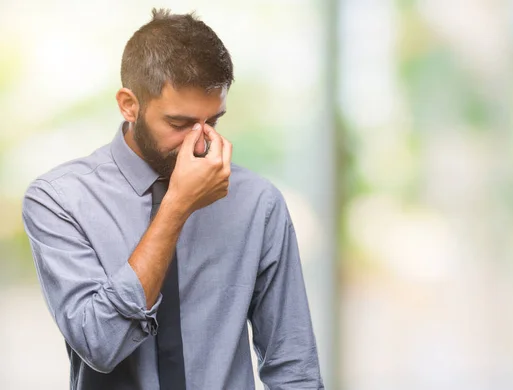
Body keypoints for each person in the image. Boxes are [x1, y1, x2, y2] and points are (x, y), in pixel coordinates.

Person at [21, 8, 324, 390]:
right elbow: (99, 343)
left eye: (211, 123)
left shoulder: (257, 204)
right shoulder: (59, 200)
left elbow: (293, 367)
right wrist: (177, 206)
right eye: (179, 124)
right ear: (129, 105)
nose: (198, 142)